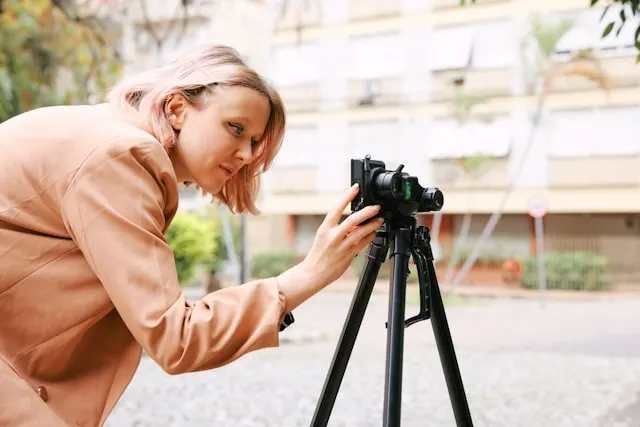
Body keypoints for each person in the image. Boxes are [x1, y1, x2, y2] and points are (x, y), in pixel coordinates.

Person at [0, 44, 383, 426]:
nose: (247, 155)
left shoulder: (101, 133)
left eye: (254, 142)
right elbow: (175, 338)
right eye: (236, 128)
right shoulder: (120, 156)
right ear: (177, 109)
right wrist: (308, 275)